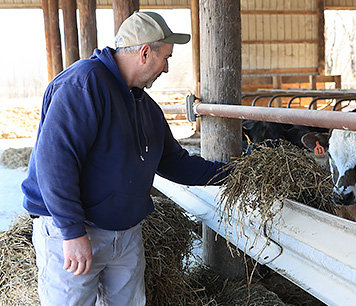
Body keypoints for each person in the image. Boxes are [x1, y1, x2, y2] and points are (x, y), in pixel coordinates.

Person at [21, 11, 229, 306]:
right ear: (145, 53)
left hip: (125, 233)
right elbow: (55, 162)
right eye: (166, 58)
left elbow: (175, 163)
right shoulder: (83, 85)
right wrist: (72, 232)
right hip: (78, 230)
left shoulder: (145, 106)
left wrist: (234, 174)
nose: (167, 68)